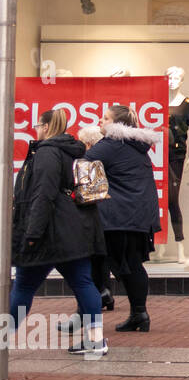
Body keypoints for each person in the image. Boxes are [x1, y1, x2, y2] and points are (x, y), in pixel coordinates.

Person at [10, 109, 108, 358]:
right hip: (74, 229)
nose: (36, 129)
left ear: (45, 126)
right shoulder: (72, 150)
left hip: (50, 232)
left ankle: (2, 337)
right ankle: (96, 341)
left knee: (23, 286)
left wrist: (32, 232)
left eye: (37, 125)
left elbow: (43, 194)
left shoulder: (46, 153)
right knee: (83, 283)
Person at [85, 105, 162, 332]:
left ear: (117, 124)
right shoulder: (136, 145)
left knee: (120, 265)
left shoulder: (111, 145)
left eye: (106, 118)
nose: (100, 120)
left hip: (120, 215)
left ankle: (134, 312)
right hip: (137, 214)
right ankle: (138, 313)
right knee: (132, 265)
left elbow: (82, 162)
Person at [76, 124, 114, 313]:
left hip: (96, 214)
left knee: (93, 258)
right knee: (101, 258)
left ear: (89, 144)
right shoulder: (108, 159)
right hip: (107, 214)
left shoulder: (90, 162)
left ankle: (96, 298)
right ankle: (105, 293)